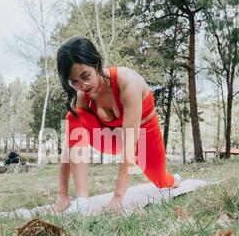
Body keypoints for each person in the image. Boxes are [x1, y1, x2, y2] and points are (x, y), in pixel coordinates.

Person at [54, 36, 180, 214]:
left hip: (142, 136)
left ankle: (173, 179)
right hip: (111, 138)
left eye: (86, 76)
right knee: (74, 115)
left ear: (97, 63)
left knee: (162, 181)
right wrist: (63, 193)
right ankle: (82, 200)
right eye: (74, 82)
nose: (82, 85)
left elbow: (131, 143)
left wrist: (118, 198)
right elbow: (72, 140)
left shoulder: (128, 82)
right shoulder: (83, 96)